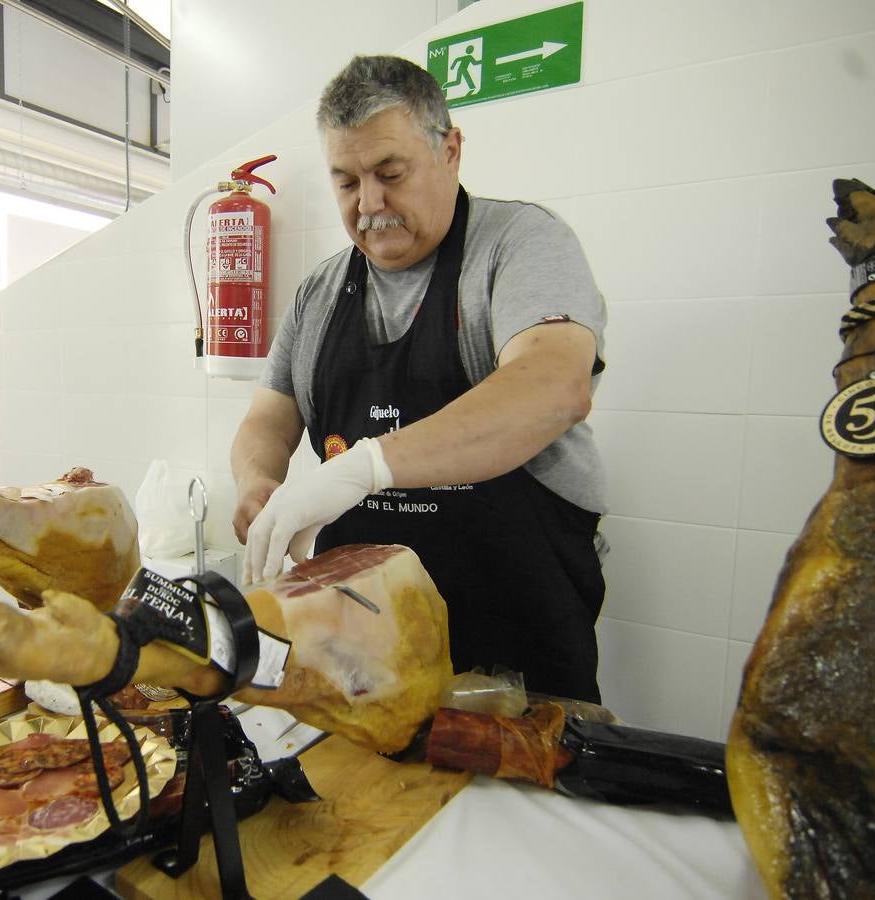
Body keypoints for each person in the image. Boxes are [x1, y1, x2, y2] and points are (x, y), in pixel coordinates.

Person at [230, 54, 608, 703]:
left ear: (450, 149)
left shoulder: (518, 244)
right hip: (360, 663)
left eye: (390, 173)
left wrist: (362, 468)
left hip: (513, 659)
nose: (369, 204)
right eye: (346, 182)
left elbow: (553, 385)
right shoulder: (319, 292)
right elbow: (269, 416)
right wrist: (258, 485)